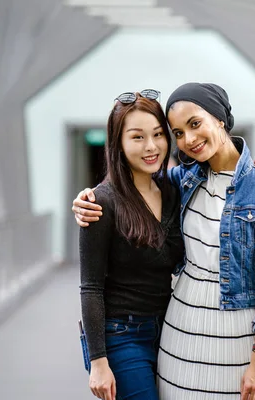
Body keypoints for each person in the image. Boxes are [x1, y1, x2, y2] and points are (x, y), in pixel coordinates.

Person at [74, 82, 255, 400]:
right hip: (157, 331)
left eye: (193, 124)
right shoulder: (168, 185)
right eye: (177, 132)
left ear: (220, 118)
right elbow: (91, 283)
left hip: (212, 330)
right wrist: (81, 200)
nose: (187, 140)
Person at [78, 89, 185, 400]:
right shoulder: (102, 202)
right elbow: (90, 286)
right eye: (137, 137)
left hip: (172, 330)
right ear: (118, 144)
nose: (151, 147)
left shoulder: (173, 189)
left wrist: (253, 170)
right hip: (122, 336)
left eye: (157, 135)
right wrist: (98, 361)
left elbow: (221, 172)